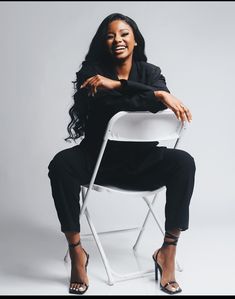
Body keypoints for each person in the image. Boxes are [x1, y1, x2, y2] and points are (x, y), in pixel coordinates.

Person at [48, 13, 196, 295]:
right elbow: (114, 107)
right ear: (103, 43)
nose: (118, 39)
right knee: (60, 165)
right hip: (99, 165)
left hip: (143, 165)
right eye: (110, 35)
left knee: (184, 162)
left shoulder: (151, 72)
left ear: (135, 40)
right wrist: (157, 95)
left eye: (124, 33)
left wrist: (118, 85)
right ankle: (77, 252)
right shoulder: (90, 73)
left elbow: (154, 105)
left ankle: (168, 251)